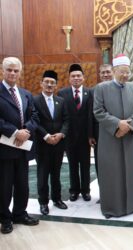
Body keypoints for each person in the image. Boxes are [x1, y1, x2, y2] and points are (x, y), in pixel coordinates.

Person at [93, 54, 133, 218]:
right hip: (110, 138)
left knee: (131, 171)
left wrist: (128, 126)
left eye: (127, 72)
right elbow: (98, 112)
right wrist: (117, 124)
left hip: (129, 137)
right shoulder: (101, 88)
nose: (125, 75)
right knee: (112, 173)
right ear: (114, 71)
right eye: (122, 72)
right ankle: (113, 208)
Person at [0, 57, 39, 234]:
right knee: (4, 186)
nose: (13, 73)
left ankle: (20, 214)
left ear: (20, 72)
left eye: (16, 70)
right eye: (9, 70)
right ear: (3, 70)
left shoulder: (26, 94)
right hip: (5, 149)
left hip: (23, 148)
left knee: (23, 185)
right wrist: (15, 132)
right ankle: (5, 218)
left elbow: (34, 117)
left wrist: (26, 131)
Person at [34, 70, 69, 215]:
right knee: (42, 174)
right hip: (42, 144)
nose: (49, 85)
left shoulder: (60, 101)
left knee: (56, 173)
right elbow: (34, 121)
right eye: (46, 82)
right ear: (41, 83)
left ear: (56, 85)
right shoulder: (34, 100)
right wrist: (46, 136)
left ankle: (57, 199)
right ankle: (43, 202)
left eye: (52, 83)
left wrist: (61, 134)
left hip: (58, 144)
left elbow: (67, 120)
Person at [58, 64, 93, 202]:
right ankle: (74, 191)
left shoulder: (90, 93)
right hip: (69, 137)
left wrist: (91, 135)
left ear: (83, 78)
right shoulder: (62, 93)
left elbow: (91, 116)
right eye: (73, 76)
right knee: (72, 165)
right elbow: (62, 116)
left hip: (85, 137)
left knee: (85, 165)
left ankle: (85, 191)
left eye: (79, 75)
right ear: (69, 79)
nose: (76, 78)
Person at [89, 64, 113, 178]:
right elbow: (90, 114)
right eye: (103, 72)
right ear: (99, 74)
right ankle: (103, 191)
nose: (105, 75)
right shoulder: (93, 91)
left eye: (108, 72)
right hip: (99, 133)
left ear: (113, 72)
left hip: (116, 131)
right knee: (101, 162)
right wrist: (91, 135)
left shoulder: (120, 87)